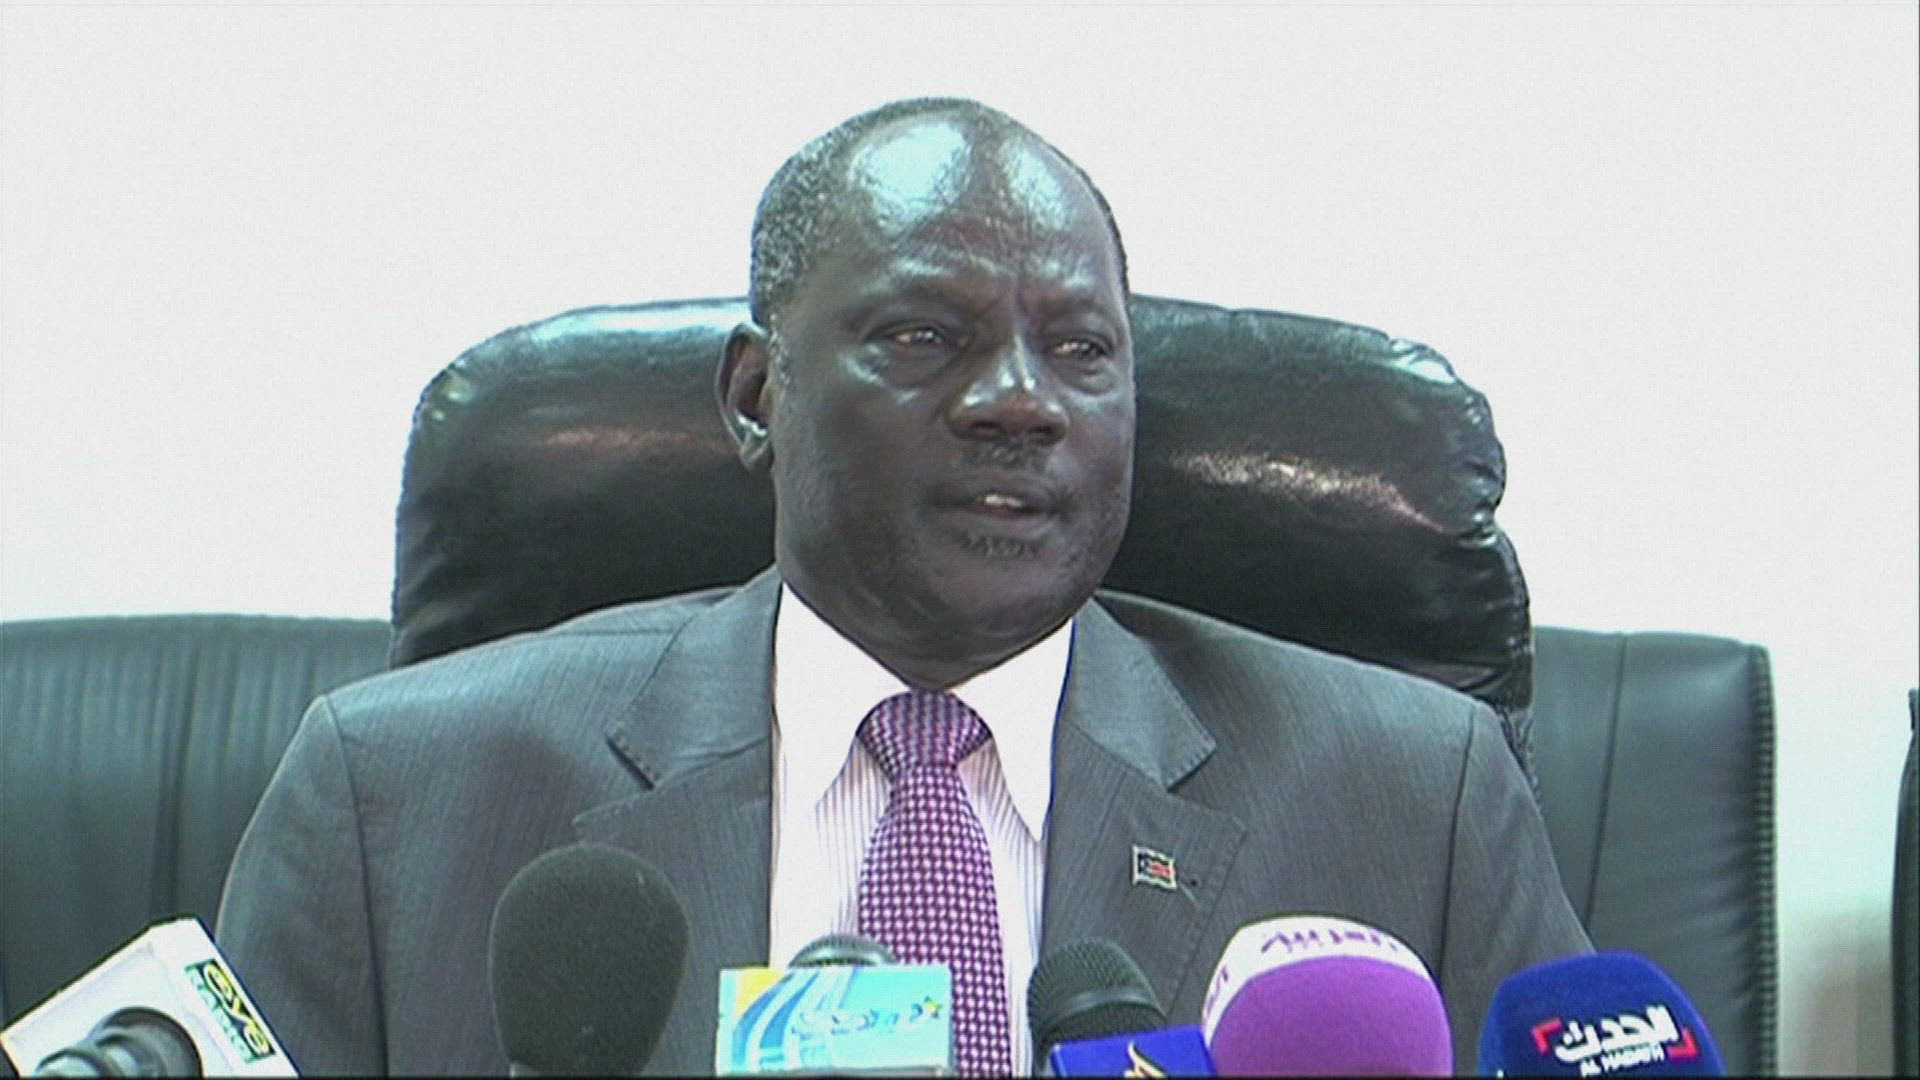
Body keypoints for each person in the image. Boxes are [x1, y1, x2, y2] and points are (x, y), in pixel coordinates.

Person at [216, 97, 1591, 1076]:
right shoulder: (396, 801)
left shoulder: (1412, 799)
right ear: (758, 396)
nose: (1020, 402)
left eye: (1082, 349)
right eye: (926, 336)